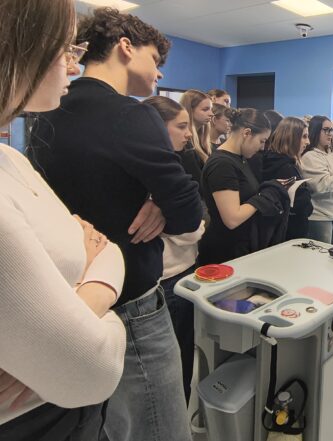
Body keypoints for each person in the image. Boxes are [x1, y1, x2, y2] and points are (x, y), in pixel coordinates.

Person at [29, 8, 203, 441]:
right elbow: (188, 211)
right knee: (161, 430)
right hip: (132, 301)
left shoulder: (47, 110)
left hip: (74, 294)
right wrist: (161, 201)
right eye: (155, 60)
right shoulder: (130, 114)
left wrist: (155, 199)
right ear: (126, 47)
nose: (159, 74)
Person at [0, 1, 127, 439]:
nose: (74, 66)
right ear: (16, 49)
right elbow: (91, 369)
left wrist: (79, 308)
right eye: (65, 49)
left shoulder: (11, 158)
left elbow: (105, 247)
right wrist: (81, 327)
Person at [143, 96, 205, 404]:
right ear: (155, 127)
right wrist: (190, 221)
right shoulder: (147, 172)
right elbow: (193, 229)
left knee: (182, 359)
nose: (189, 133)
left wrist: (179, 219)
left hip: (185, 270)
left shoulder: (176, 165)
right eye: (181, 126)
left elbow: (197, 219)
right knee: (171, 369)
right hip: (166, 278)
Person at [198, 108, 288, 265]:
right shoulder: (222, 165)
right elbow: (232, 218)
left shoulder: (240, 159)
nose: (262, 147)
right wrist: (265, 196)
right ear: (247, 133)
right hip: (225, 251)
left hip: (239, 245)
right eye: (262, 141)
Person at [301, 116, 333, 245]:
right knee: (321, 256)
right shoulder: (310, 156)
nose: (330, 133)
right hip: (320, 216)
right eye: (326, 130)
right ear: (315, 130)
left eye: (331, 130)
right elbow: (322, 184)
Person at [261, 117, 314, 240]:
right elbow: (303, 207)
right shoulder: (287, 168)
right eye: (304, 136)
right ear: (291, 138)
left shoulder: (270, 161)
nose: (308, 142)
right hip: (290, 233)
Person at [180, 89, 214, 165]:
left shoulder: (203, 140)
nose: (211, 114)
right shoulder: (184, 142)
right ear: (190, 110)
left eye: (211, 109)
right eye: (205, 109)